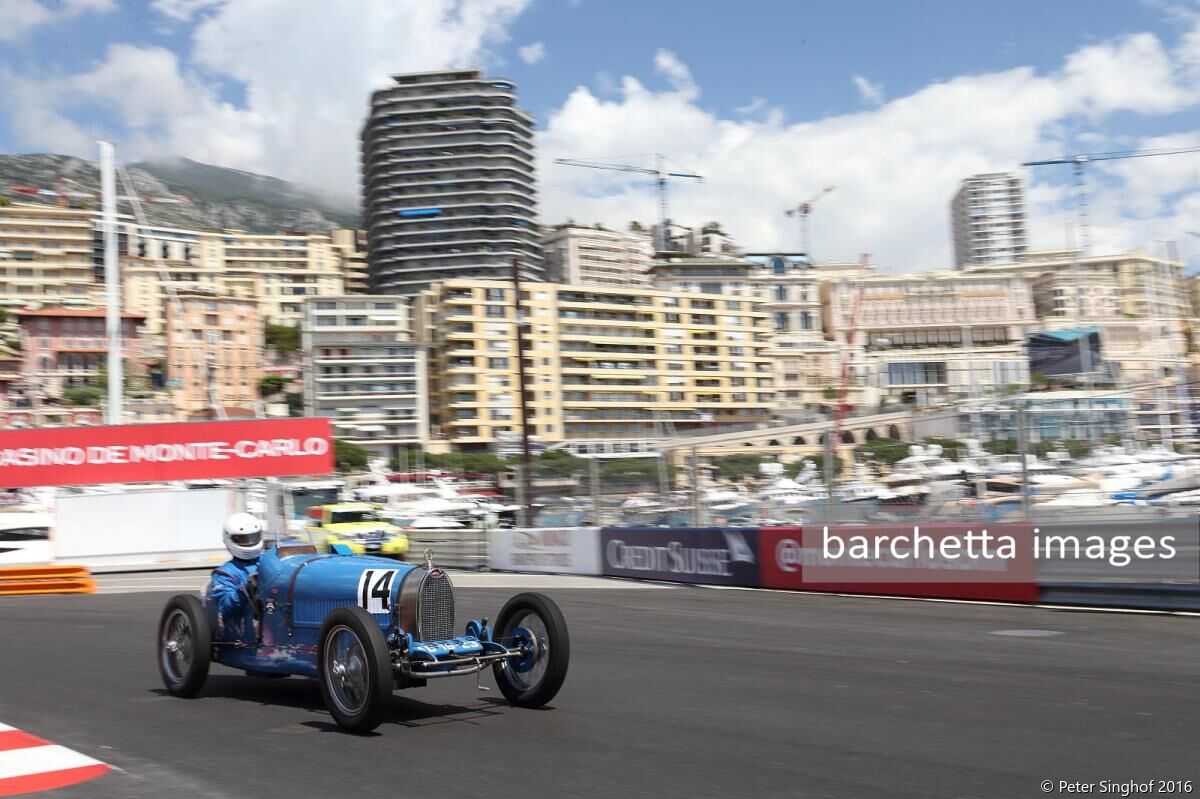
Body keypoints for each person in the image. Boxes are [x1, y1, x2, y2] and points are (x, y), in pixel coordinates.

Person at [209, 512, 264, 644]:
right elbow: (226, 607)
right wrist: (246, 589)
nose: (250, 542)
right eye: (243, 539)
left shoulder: (269, 562)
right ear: (230, 539)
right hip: (244, 633)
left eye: (253, 538)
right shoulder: (224, 573)